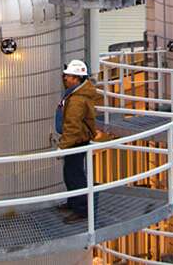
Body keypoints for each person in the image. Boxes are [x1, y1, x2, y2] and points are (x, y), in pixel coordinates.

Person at [54, 59, 101, 224]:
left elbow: (73, 126)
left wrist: (62, 146)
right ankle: (74, 202)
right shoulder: (76, 93)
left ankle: (81, 210)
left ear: (76, 79)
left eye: (68, 76)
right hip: (77, 140)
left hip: (76, 141)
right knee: (70, 174)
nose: (65, 79)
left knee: (75, 176)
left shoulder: (77, 100)